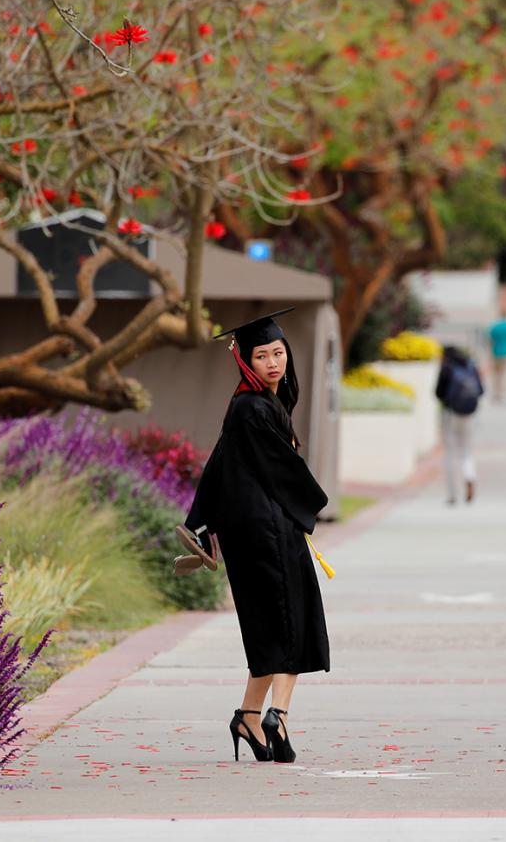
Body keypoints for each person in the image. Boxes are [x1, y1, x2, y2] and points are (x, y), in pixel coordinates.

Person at [180, 307, 330, 764]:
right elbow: (285, 472)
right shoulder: (253, 407)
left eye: (278, 352)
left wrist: (200, 523)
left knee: (270, 627)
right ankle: (277, 716)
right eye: (262, 355)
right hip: (268, 531)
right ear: (244, 359)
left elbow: (218, 465)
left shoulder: (251, 403)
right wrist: (311, 506)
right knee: (293, 624)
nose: (273, 362)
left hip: (255, 532)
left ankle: (248, 715)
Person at [435, 344, 484, 505]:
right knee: (466, 451)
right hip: (470, 414)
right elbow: (481, 391)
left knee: (450, 452)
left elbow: (438, 393)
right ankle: (469, 476)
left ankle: (452, 494)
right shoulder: (470, 365)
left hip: (451, 414)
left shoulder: (447, 368)